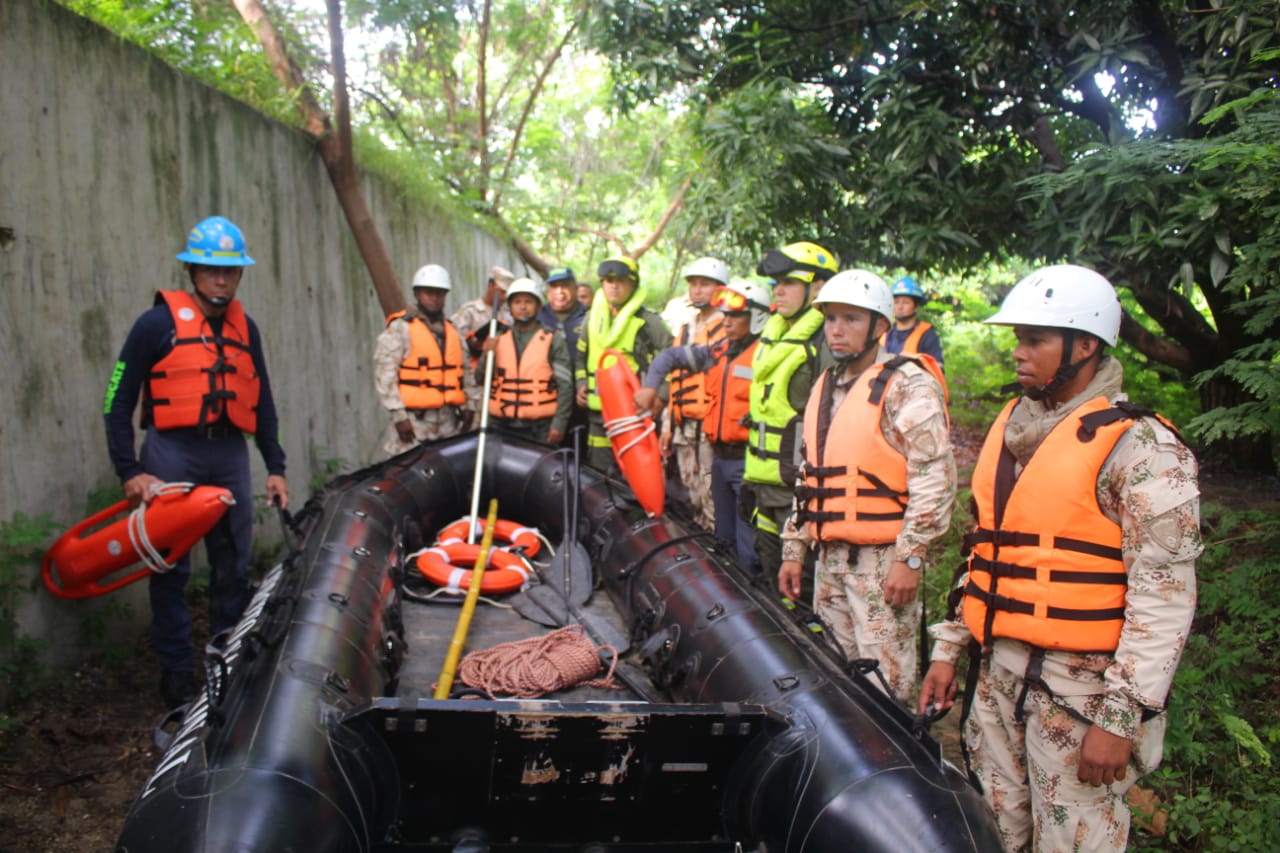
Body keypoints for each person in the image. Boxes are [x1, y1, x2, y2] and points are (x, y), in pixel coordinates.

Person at [917, 265, 1200, 853]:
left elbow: (1164, 596)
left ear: (1085, 345)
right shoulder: (1014, 430)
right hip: (996, 678)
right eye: (1017, 338)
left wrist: (1120, 718)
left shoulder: (1140, 447)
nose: (1017, 353)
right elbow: (985, 553)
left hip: (1080, 694)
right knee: (996, 833)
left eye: (1034, 340)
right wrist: (950, 648)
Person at [102, 215, 289, 709]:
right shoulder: (155, 325)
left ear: (240, 274)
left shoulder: (245, 328)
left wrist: (275, 465)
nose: (221, 279)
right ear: (192, 271)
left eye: (230, 270)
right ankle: (177, 674)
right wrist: (129, 469)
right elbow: (117, 400)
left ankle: (226, 658)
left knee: (232, 563)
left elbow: (263, 401)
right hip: (171, 452)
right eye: (211, 270)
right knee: (170, 567)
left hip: (228, 451)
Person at [777, 270, 955, 704]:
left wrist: (910, 558)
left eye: (851, 319)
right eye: (831, 319)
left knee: (884, 686)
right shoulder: (825, 384)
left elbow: (934, 478)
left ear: (879, 327)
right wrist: (794, 548)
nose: (836, 329)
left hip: (882, 563)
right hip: (830, 558)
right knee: (833, 676)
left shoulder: (907, 384)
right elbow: (810, 475)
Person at [635, 279, 771, 575]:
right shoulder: (719, 351)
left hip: (749, 462)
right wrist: (650, 387)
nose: (728, 321)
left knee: (748, 545)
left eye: (736, 316)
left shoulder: (768, 355)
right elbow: (670, 357)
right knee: (722, 538)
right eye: (726, 315)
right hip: (719, 459)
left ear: (757, 317)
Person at [742, 240, 838, 598]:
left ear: (817, 287)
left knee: (802, 587)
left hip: (798, 491)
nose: (778, 291)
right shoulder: (775, 332)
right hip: (764, 482)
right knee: (771, 575)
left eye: (789, 282)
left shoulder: (825, 342)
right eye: (775, 283)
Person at [574, 256, 672, 473]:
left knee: (634, 477)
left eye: (620, 281)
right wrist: (581, 382)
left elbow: (671, 360)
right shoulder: (590, 320)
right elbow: (581, 357)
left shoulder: (649, 323)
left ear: (633, 284)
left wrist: (661, 395)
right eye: (608, 281)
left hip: (634, 416)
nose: (614, 286)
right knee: (598, 476)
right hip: (599, 416)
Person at [375, 263, 473, 457]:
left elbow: (466, 372)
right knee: (407, 473)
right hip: (413, 422)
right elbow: (385, 375)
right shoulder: (401, 328)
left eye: (439, 293)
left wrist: (470, 407)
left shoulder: (452, 331)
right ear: (417, 294)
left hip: (447, 421)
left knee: (447, 473)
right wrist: (398, 416)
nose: (434, 298)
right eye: (428, 293)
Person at [661, 257, 729, 531]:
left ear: (720, 288)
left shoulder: (727, 327)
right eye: (694, 285)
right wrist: (667, 424)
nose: (698, 290)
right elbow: (674, 378)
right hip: (683, 423)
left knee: (711, 492)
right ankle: (699, 537)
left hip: (709, 425)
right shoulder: (686, 328)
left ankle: (716, 547)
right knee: (691, 491)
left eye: (705, 284)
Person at [481, 277, 573, 445]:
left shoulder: (553, 339)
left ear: (538, 306)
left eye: (528, 302)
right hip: (501, 423)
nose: (523, 307)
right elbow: (480, 378)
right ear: (510, 308)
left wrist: (559, 424)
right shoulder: (498, 338)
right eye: (517, 302)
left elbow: (565, 386)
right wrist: (486, 355)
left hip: (539, 427)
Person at [451, 264, 516, 419]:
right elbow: (453, 343)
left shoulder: (509, 316)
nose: (503, 297)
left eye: (507, 293)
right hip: (473, 383)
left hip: (500, 385)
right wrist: (473, 343)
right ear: (490, 286)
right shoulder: (469, 311)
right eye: (500, 291)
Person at [537, 266, 589, 450]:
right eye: (554, 287)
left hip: (581, 403)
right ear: (547, 292)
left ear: (575, 288)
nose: (560, 292)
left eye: (565, 286)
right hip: (544, 403)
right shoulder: (537, 317)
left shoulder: (590, 317)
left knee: (579, 456)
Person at [881, 276, 945, 369]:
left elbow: (936, 367)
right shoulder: (884, 332)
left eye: (906, 302)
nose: (900, 307)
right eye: (896, 302)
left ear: (916, 307)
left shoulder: (927, 334)